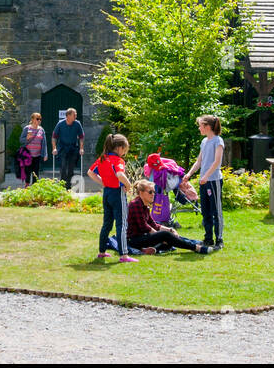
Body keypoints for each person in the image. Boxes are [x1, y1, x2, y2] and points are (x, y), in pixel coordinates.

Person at [87, 133, 137, 262]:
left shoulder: (103, 158)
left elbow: (90, 172)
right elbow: (120, 174)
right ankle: (124, 255)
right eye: (124, 150)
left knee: (107, 223)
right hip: (117, 193)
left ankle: (102, 251)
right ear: (119, 148)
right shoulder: (118, 160)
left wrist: (103, 182)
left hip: (107, 193)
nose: (124, 153)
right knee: (122, 224)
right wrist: (128, 185)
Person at [128, 179, 211, 254]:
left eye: (154, 192)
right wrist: (160, 236)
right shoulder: (136, 204)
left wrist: (171, 229)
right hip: (134, 239)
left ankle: (147, 249)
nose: (153, 194)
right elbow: (144, 227)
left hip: (143, 237)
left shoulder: (144, 205)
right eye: (150, 192)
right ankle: (196, 248)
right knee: (166, 236)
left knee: (170, 238)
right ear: (141, 193)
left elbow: (153, 224)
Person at [185, 114, 226, 250]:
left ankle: (219, 240)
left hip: (213, 181)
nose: (199, 128)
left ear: (207, 127)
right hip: (204, 181)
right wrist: (189, 174)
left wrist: (207, 176)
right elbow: (199, 161)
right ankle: (208, 239)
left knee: (216, 211)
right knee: (206, 211)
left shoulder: (218, 141)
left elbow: (217, 162)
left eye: (200, 126)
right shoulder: (204, 142)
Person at [51, 108, 85, 191]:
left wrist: (81, 148)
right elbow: (54, 137)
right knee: (63, 167)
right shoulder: (60, 124)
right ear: (68, 116)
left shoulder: (77, 124)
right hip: (62, 148)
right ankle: (62, 185)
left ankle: (68, 186)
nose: (76, 116)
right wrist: (54, 148)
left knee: (71, 169)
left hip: (73, 148)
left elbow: (81, 137)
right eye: (74, 115)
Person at [21, 112, 47, 184]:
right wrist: (27, 138)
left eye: (40, 119)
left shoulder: (41, 130)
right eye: (37, 119)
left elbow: (44, 143)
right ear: (32, 119)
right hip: (28, 155)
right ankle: (27, 186)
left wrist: (45, 154)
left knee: (36, 173)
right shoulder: (27, 128)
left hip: (37, 155)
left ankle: (34, 187)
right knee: (27, 171)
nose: (39, 120)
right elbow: (21, 140)